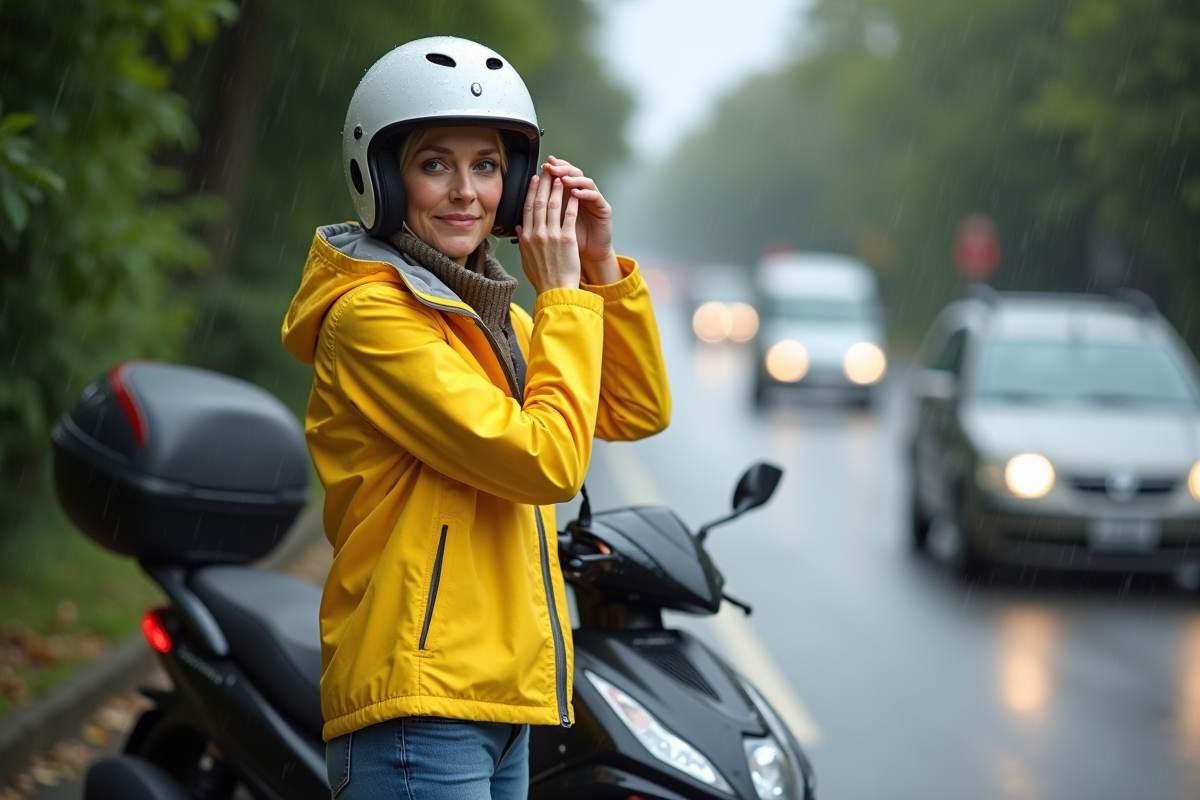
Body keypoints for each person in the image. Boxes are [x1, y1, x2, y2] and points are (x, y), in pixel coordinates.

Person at [280, 36, 670, 799]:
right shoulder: (373, 319)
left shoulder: (492, 319)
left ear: (516, 182)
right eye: (435, 164)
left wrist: (599, 269)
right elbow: (547, 463)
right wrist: (560, 298)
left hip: (497, 697)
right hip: (418, 708)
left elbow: (634, 407)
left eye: (487, 165)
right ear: (383, 179)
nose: (466, 191)